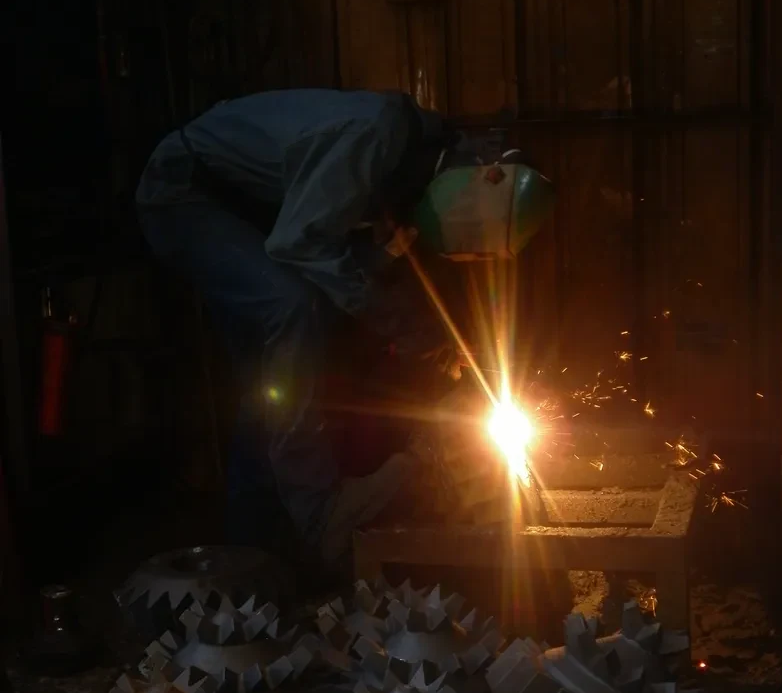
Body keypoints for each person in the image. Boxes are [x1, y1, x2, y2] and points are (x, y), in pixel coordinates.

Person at [136, 89, 553, 576]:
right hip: (184, 195)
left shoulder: (413, 164)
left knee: (269, 386)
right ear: (489, 176)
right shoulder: (376, 137)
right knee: (293, 308)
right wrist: (405, 327)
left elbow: (361, 271)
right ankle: (319, 515)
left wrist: (437, 345)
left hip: (247, 214)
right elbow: (300, 247)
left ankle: (254, 558)